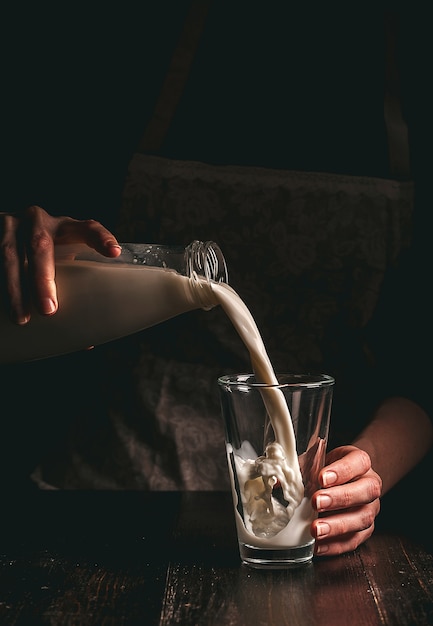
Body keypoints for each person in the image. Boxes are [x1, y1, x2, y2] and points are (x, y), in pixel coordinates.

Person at [1, 5, 432, 558]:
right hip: (100, 510)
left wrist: (362, 474)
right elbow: (52, 238)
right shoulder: (127, 36)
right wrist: (25, 244)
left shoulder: (410, 47)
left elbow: (423, 362)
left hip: (312, 522)